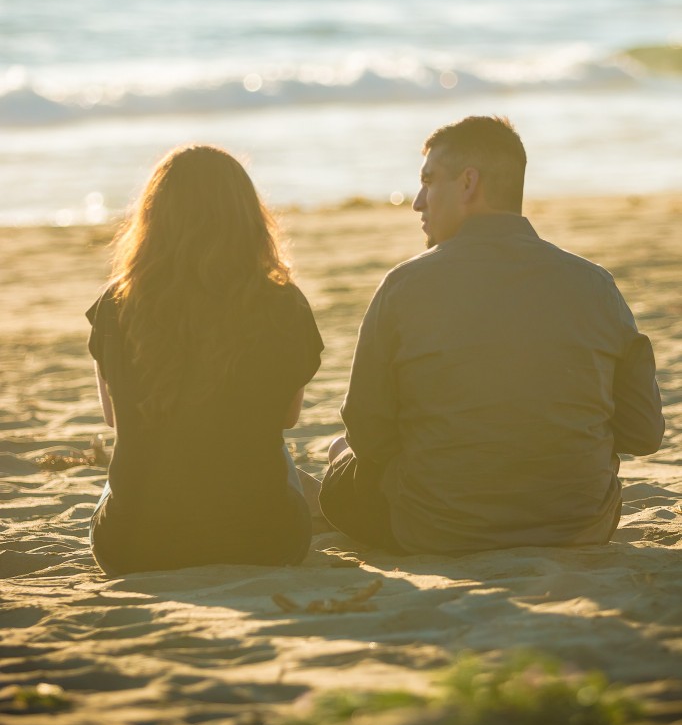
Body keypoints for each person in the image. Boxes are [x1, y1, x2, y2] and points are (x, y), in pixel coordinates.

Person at [320, 115, 664, 555]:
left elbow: (368, 434)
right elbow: (644, 434)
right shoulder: (595, 285)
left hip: (437, 529)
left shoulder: (406, 286)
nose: (418, 202)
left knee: (340, 456)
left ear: (468, 183)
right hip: (579, 525)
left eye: (428, 181)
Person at [87, 144, 323, 574]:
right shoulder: (283, 302)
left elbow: (113, 418)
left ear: (152, 218)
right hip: (266, 543)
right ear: (249, 217)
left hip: (131, 549)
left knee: (124, 478)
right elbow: (287, 417)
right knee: (277, 455)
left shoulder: (116, 303)